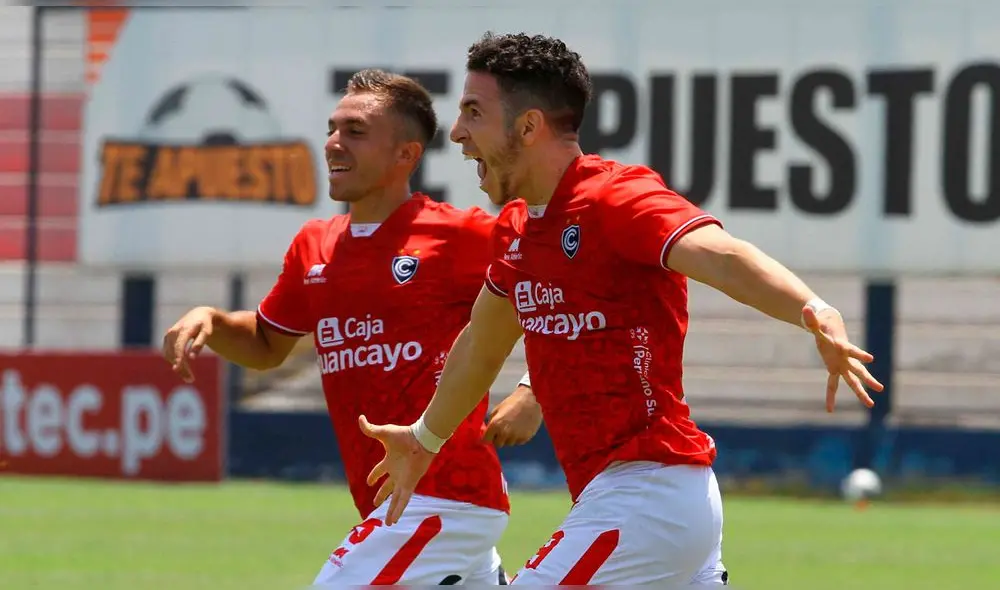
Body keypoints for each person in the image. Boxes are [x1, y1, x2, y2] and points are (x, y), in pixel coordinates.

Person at [358, 33, 885, 587]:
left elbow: (723, 257)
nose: (458, 133)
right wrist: (425, 439)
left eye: (473, 112)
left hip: (648, 494)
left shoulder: (614, 197)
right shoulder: (518, 227)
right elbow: (480, 347)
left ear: (529, 127)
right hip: (647, 503)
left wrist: (813, 307)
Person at [160, 69, 544, 586]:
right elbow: (268, 345)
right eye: (332, 129)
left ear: (406, 154)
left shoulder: (459, 233)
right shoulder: (314, 244)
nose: (333, 144)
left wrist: (533, 388)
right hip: (396, 506)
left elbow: (564, 284)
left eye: (355, 132)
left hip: (443, 499)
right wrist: (212, 318)